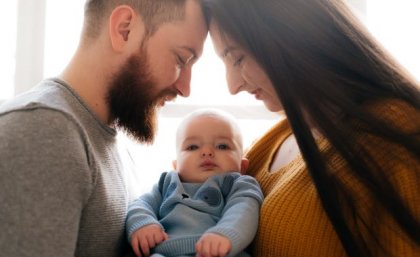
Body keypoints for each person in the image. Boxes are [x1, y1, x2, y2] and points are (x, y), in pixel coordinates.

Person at [204, 0, 420, 256]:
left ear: (291, 34)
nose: (233, 86)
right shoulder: (275, 139)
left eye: (237, 58)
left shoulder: (392, 132)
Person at [0, 0, 208, 256]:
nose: (185, 88)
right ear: (125, 29)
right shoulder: (41, 131)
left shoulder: (106, 136)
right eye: (181, 59)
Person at [126, 109, 264, 257]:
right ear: (176, 165)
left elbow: (243, 211)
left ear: (242, 167)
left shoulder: (238, 184)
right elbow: (140, 205)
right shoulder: (166, 183)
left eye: (222, 146)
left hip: (219, 253)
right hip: (164, 251)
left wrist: (225, 234)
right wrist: (143, 223)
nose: (207, 152)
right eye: (193, 147)